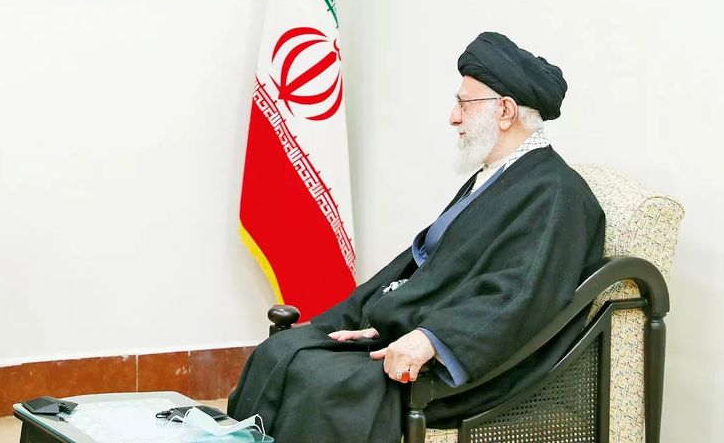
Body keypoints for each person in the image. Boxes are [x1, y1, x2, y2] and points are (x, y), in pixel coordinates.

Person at [228, 32, 606, 442]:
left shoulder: (556, 192)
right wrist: (377, 317)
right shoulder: (498, 177)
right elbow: (438, 271)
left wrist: (431, 339)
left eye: (464, 103)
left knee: (327, 385)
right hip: (429, 335)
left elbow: (521, 295)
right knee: (280, 352)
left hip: (481, 368)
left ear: (506, 111)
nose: (453, 117)